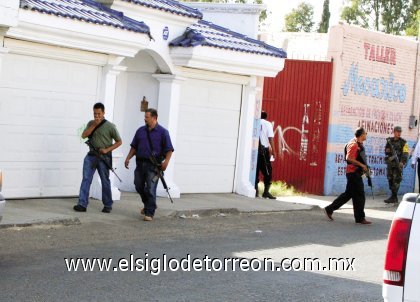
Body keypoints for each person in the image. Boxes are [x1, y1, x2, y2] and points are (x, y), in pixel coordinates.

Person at [124, 108, 174, 222]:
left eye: (147, 117)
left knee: (151, 189)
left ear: (154, 118)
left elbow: (169, 149)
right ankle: (149, 204)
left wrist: (166, 163)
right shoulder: (140, 131)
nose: (144, 119)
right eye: (145, 116)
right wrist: (128, 158)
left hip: (153, 166)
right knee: (138, 185)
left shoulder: (163, 132)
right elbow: (134, 147)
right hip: (140, 163)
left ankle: (149, 213)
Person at [74, 102, 122, 213]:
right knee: (86, 179)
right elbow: (84, 135)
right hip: (91, 155)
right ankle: (82, 204)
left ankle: (108, 205)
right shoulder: (91, 123)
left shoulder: (110, 126)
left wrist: (107, 150)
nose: (96, 116)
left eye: (99, 114)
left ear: (104, 113)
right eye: (95, 113)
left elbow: (119, 142)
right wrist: (94, 125)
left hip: (104, 157)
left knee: (105, 181)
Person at [323, 127, 372, 225]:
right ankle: (360, 218)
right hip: (353, 173)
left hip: (355, 173)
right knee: (360, 195)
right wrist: (362, 165)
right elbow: (349, 158)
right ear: (361, 134)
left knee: (348, 194)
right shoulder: (353, 144)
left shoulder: (359, 144)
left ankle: (329, 209)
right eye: (365, 133)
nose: (366, 135)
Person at [384, 126, 409, 204]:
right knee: (390, 180)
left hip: (398, 165)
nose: (399, 133)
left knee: (396, 181)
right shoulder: (389, 141)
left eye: (400, 132)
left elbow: (405, 153)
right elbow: (386, 151)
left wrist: (402, 162)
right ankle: (393, 197)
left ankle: (394, 197)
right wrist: (387, 150)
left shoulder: (403, 142)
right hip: (390, 165)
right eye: (397, 132)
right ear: (394, 132)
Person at [255, 111, 276, 199]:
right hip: (264, 151)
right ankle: (266, 192)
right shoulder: (267, 124)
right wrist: (274, 151)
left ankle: (255, 190)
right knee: (268, 171)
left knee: (255, 170)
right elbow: (270, 138)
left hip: (254, 149)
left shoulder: (255, 122)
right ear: (266, 117)